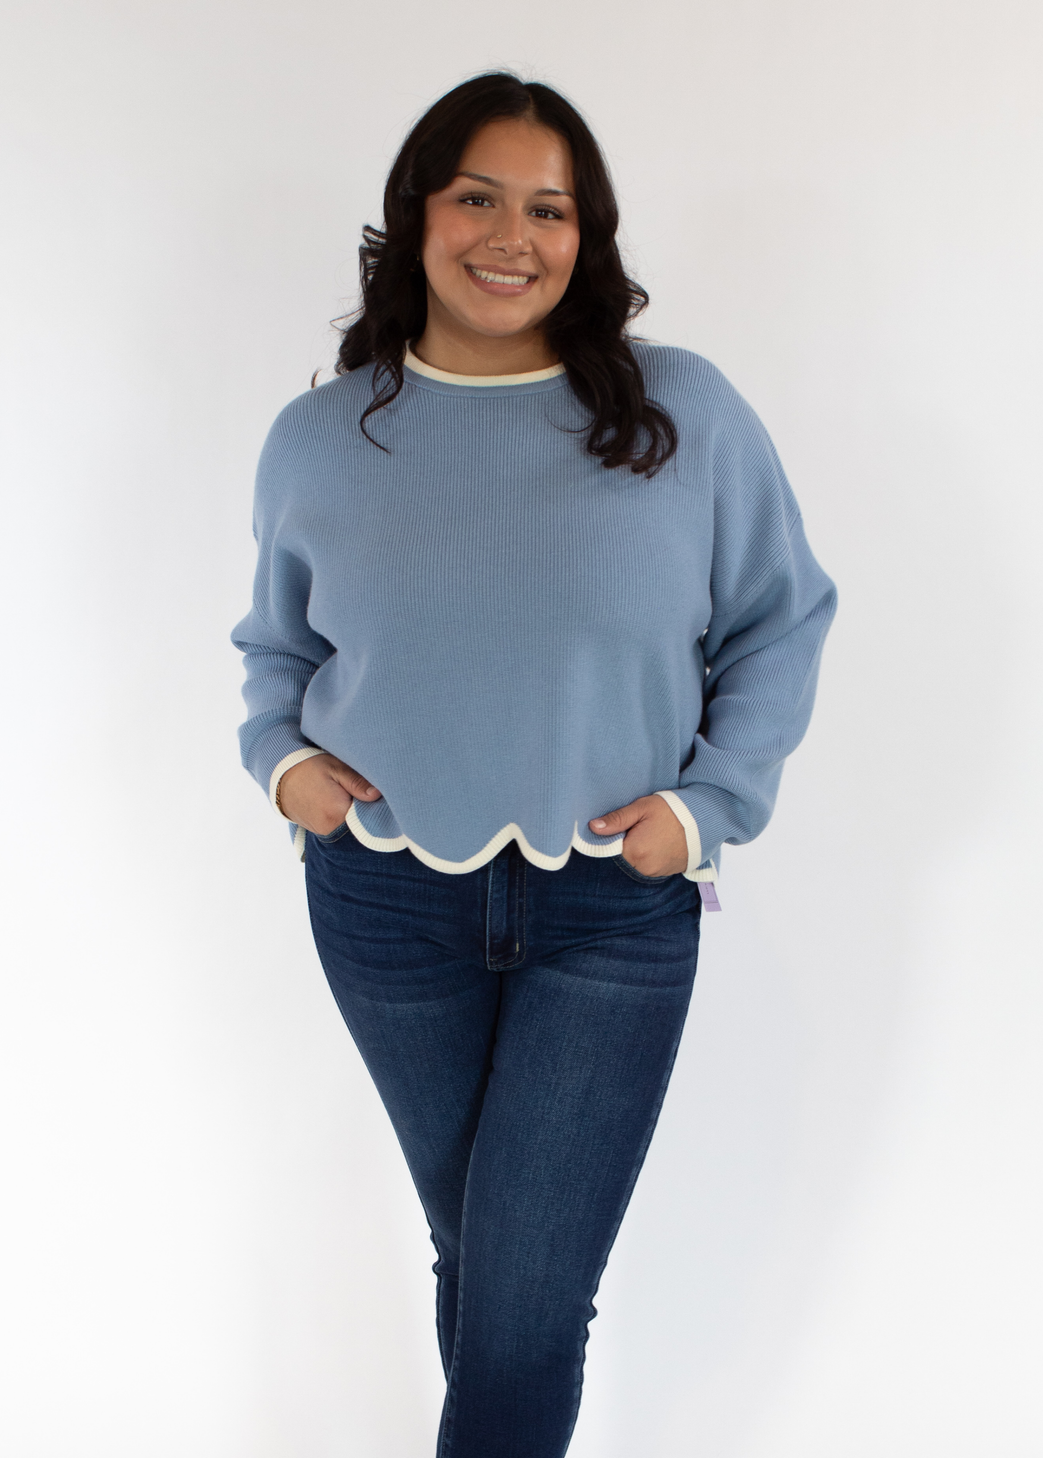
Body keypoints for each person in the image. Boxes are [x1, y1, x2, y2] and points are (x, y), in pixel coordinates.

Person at [232, 70, 836, 1458]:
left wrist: (705, 808)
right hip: (385, 903)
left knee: (523, 1299)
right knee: (489, 1271)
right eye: (479, 197)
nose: (513, 235)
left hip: (612, 915)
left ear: (590, 235)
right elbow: (273, 646)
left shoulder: (684, 415)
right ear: (418, 216)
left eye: (550, 208)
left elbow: (781, 616)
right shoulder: (323, 435)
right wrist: (282, 764)